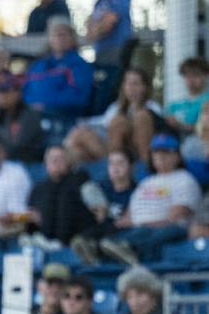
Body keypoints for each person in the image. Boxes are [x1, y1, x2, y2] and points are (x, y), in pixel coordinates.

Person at [99, 136, 202, 265]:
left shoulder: (184, 179)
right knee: (109, 239)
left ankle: (131, 252)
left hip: (169, 229)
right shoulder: (146, 182)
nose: (160, 156)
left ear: (177, 156)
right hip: (139, 229)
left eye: (166, 152)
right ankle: (118, 251)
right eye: (156, 152)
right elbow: (129, 215)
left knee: (161, 232)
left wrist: (145, 224)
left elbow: (177, 216)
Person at [64, 68, 166, 165]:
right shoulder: (116, 107)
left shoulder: (153, 107)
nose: (131, 88)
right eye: (128, 84)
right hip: (114, 149)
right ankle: (112, 166)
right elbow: (101, 124)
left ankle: (138, 166)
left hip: (139, 150)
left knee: (119, 122)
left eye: (136, 84)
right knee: (79, 138)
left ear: (145, 87)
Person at [23, 19, 93, 116]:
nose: (59, 37)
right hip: (32, 114)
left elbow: (79, 96)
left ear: (72, 38)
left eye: (63, 33)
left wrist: (46, 104)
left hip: (64, 117)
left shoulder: (80, 65)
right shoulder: (38, 65)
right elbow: (26, 90)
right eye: (55, 33)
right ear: (49, 38)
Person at [27, 145, 94, 246]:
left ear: (68, 162)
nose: (56, 162)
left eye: (60, 159)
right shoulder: (38, 188)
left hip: (74, 237)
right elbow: (31, 213)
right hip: (43, 237)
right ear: (46, 164)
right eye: (52, 159)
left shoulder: (79, 180)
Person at [0, 73, 46, 163]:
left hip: (29, 164)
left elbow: (22, 145)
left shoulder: (30, 115)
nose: (0, 95)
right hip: (6, 164)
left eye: (4, 90)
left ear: (18, 93)